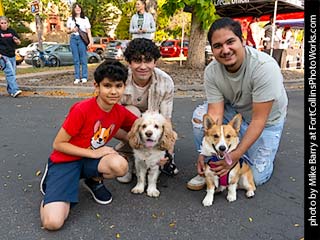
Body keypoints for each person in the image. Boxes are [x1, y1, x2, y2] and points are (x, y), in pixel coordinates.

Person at [187, 17, 288, 191]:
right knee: (200, 117)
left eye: (230, 42)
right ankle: (212, 168)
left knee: (256, 178)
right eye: (217, 46)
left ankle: (257, 154)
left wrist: (235, 156)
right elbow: (215, 114)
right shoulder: (212, 71)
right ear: (212, 49)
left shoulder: (264, 67)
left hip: (266, 123)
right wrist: (205, 151)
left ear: (243, 41)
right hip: (235, 114)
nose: (225, 50)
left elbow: (259, 120)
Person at [39, 60, 138, 231]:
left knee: (120, 165)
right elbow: (58, 144)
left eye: (118, 86)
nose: (113, 91)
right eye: (107, 85)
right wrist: (92, 153)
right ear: (97, 86)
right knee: (52, 223)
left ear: (124, 86)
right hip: (66, 161)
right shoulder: (82, 109)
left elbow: (141, 129)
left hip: (89, 161)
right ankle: (53, 185)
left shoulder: (120, 112)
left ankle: (93, 181)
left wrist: (161, 151)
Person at [115, 38, 177, 183]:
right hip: (129, 126)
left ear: (155, 62)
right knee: (134, 114)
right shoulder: (119, 81)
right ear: (129, 62)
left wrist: (167, 152)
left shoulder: (166, 82)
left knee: (154, 126)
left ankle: (152, 157)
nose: (143, 66)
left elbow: (166, 121)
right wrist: (136, 141)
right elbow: (110, 120)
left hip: (153, 128)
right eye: (137, 60)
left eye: (148, 60)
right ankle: (128, 156)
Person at [66, 3, 93, 84]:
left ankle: (84, 76)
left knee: (83, 58)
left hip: (81, 39)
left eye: (79, 8)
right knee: (76, 59)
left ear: (81, 9)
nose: (78, 9)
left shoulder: (85, 19)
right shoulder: (70, 19)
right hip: (73, 38)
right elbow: (67, 31)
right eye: (76, 8)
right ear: (74, 9)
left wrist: (90, 41)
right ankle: (77, 77)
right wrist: (72, 30)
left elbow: (88, 31)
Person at [0, 16, 22, 98]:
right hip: (3, 55)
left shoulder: (11, 31)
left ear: (8, 23)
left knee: (13, 73)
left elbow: (18, 42)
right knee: (10, 73)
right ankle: (15, 90)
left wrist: (17, 41)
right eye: (2, 23)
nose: (4, 25)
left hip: (12, 55)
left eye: (5, 23)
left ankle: (10, 90)